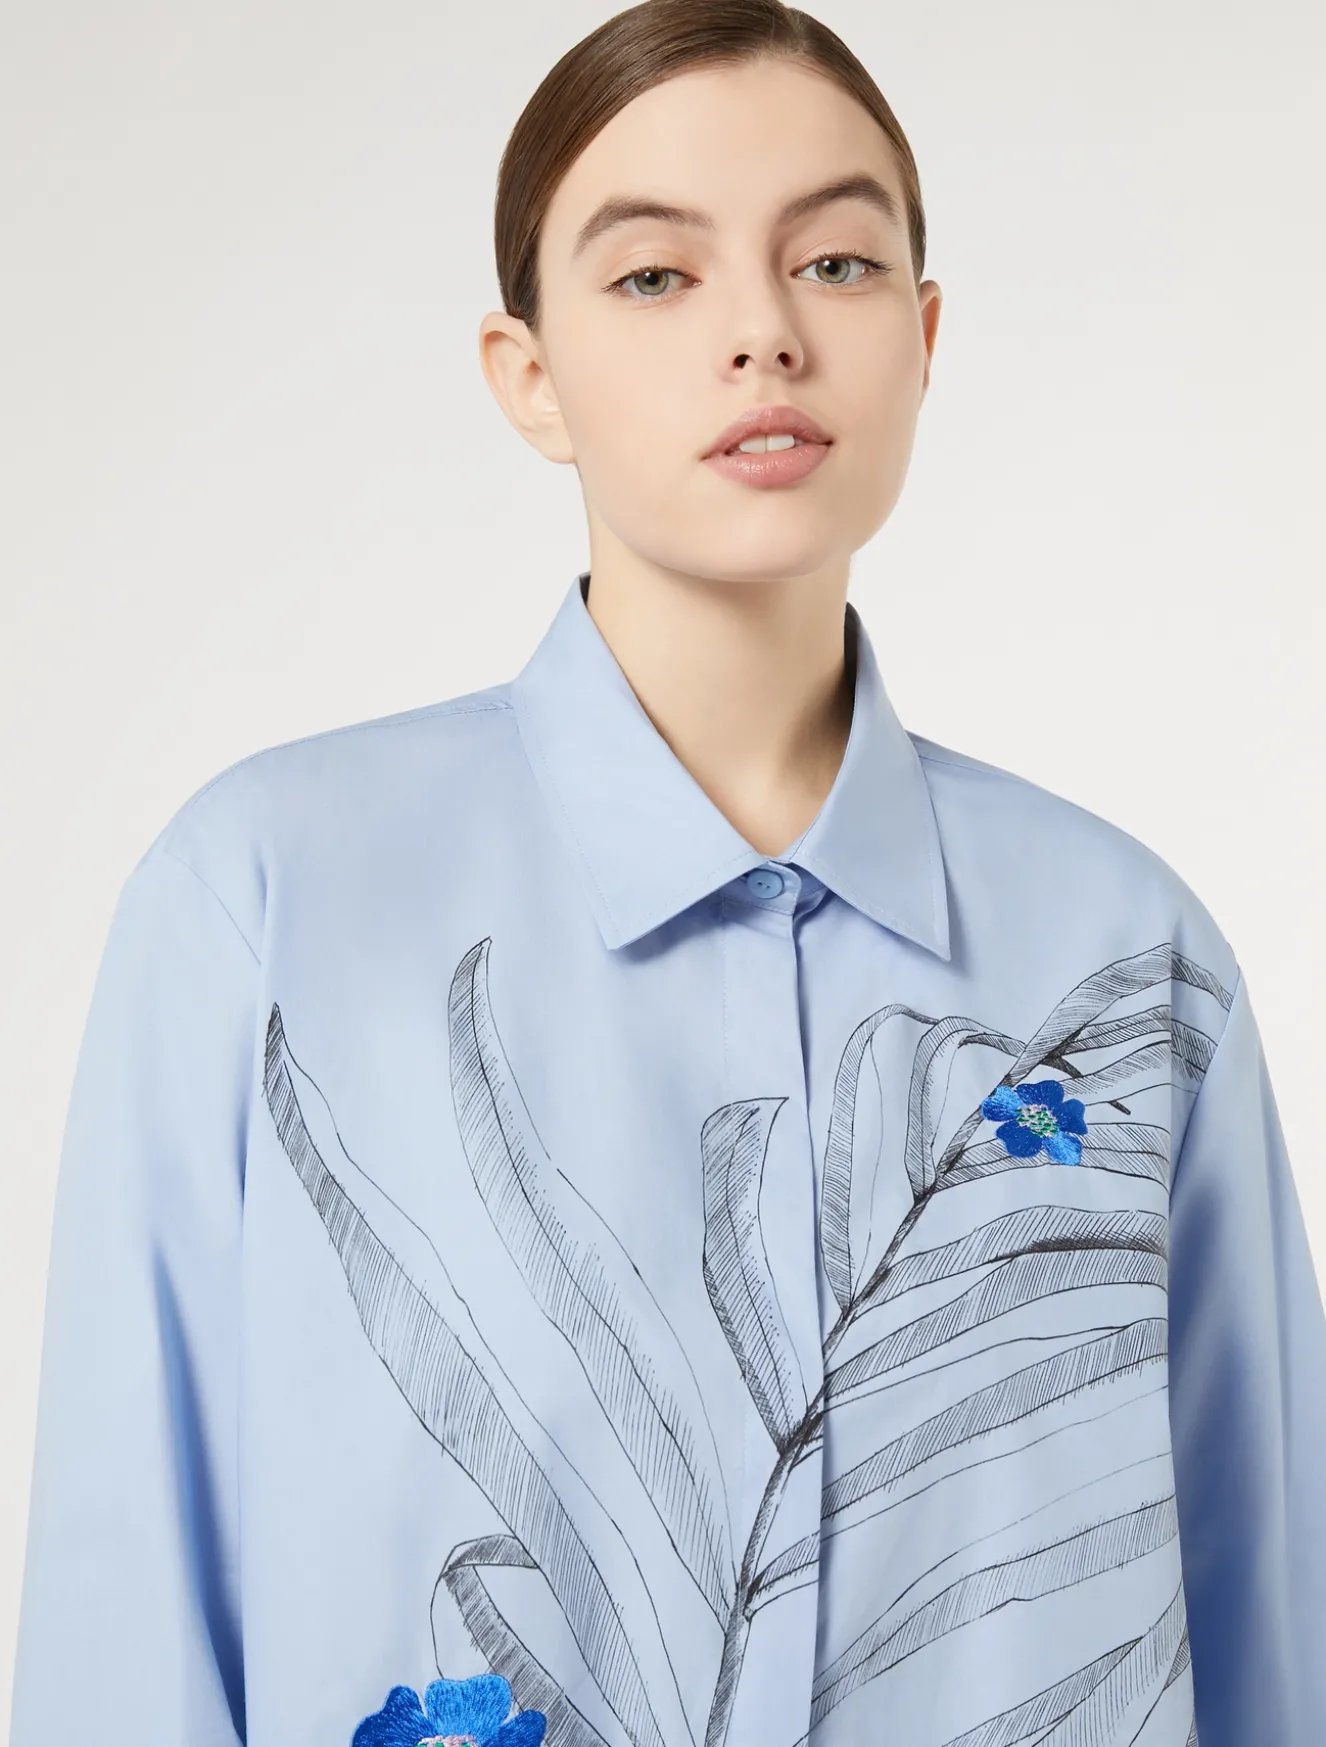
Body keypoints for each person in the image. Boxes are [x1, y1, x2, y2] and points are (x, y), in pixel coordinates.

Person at [10, 2, 1325, 1744]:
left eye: (836, 263)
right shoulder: (262, 905)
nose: (763, 332)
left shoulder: (1126, 959)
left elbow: (1266, 1625)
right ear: (527, 375)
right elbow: (126, 1625)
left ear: (922, 337)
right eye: (653, 276)